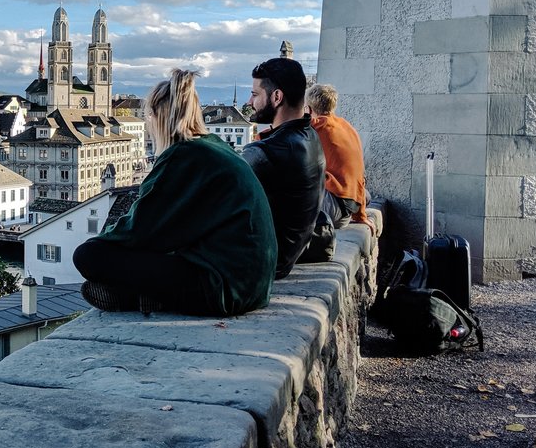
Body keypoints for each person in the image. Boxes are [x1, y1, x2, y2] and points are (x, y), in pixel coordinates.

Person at [73, 69, 277, 316]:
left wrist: (102, 240)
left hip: (223, 288)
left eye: (149, 115)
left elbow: (139, 229)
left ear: (158, 116)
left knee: (88, 255)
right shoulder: (213, 147)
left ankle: (137, 296)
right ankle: (142, 296)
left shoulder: (183, 156)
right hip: (251, 284)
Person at [242, 57, 325, 279]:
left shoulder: (268, 151)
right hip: (287, 255)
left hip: (265, 261)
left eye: (255, 94)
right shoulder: (310, 136)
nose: (250, 102)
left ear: (277, 97)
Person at [305, 83, 372, 230]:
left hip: (331, 212)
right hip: (350, 206)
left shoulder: (316, 126)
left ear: (309, 109)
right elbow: (360, 175)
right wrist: (361, 216)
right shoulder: (347, 127)